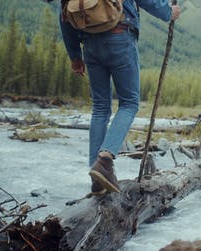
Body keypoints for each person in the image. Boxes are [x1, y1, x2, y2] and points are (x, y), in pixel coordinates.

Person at [60, 0, 181, 195]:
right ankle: (105, 159)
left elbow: (64, 15)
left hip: (89, 43)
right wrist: (168, 12)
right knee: (129, 103)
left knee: (100, 108)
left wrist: (74, 55)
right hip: (119, 36)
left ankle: (96, 175)